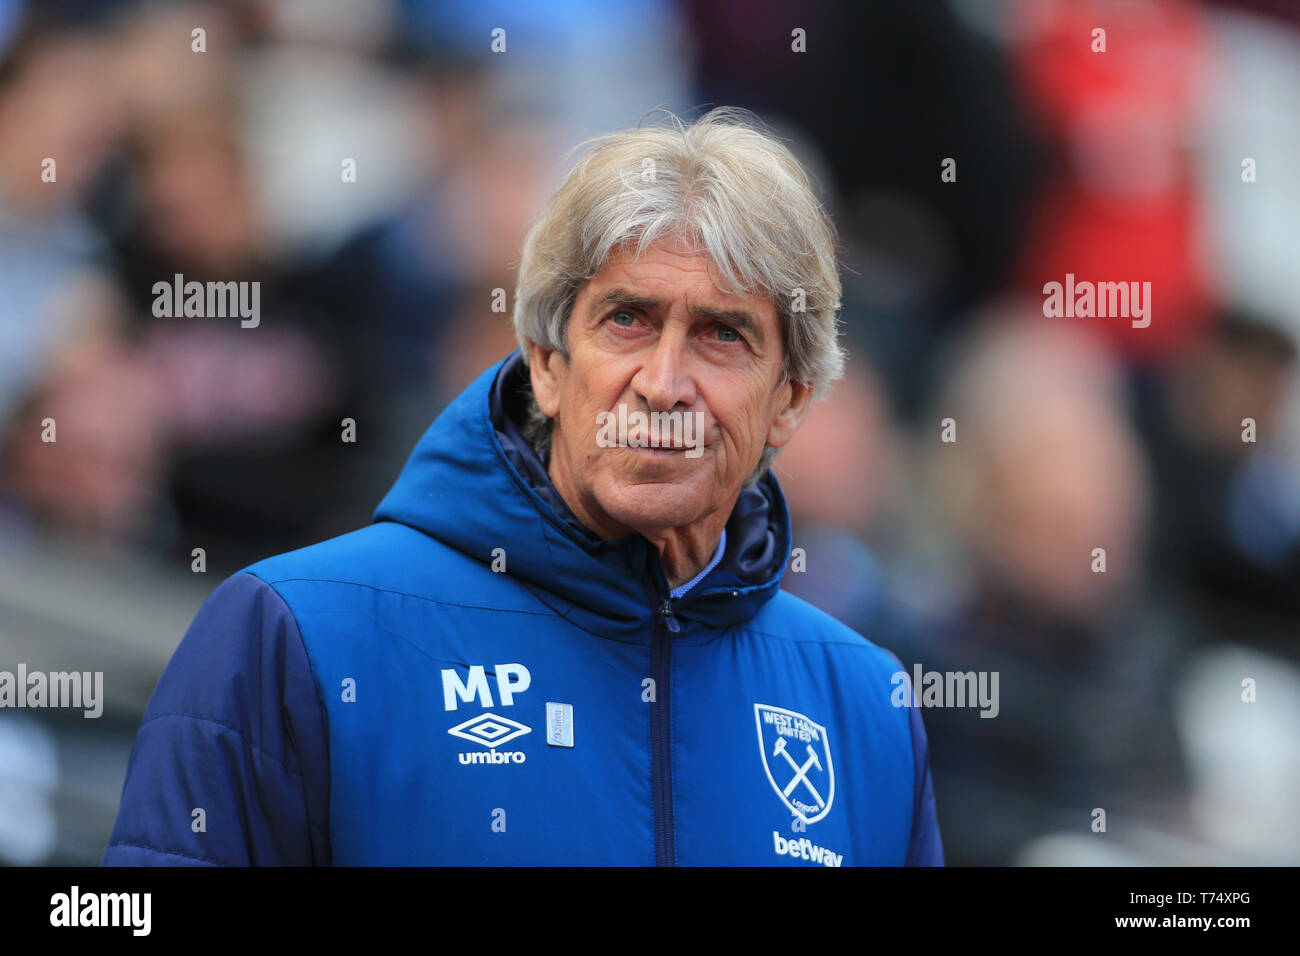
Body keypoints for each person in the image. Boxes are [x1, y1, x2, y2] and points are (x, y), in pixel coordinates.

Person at [102, 108, 943, 866]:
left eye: (723, 335)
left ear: (790, 400)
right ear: (546, 364)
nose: (662, 381)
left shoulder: (864, 708)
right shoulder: (295, 632)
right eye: (628, 320)